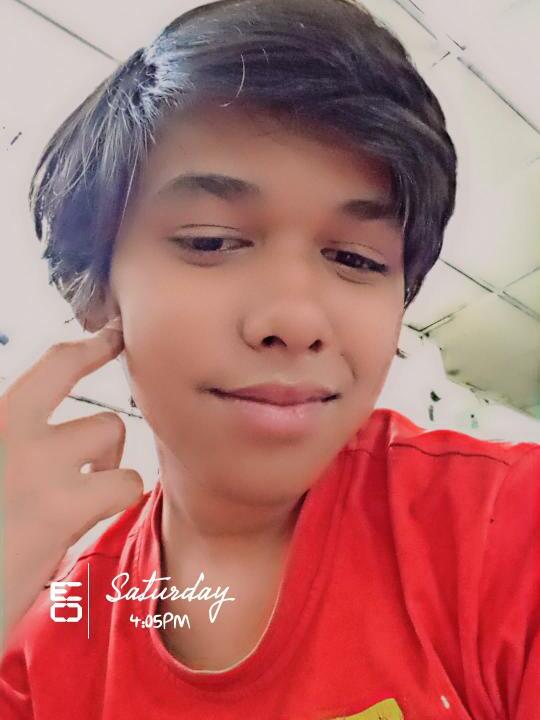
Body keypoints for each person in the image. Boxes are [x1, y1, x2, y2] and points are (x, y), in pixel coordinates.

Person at [0, 0, 538, 718]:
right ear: (94, 290)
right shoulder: (45, 642)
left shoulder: (509, 531)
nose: (296, 319)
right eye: (211, 241)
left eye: (355, 258)